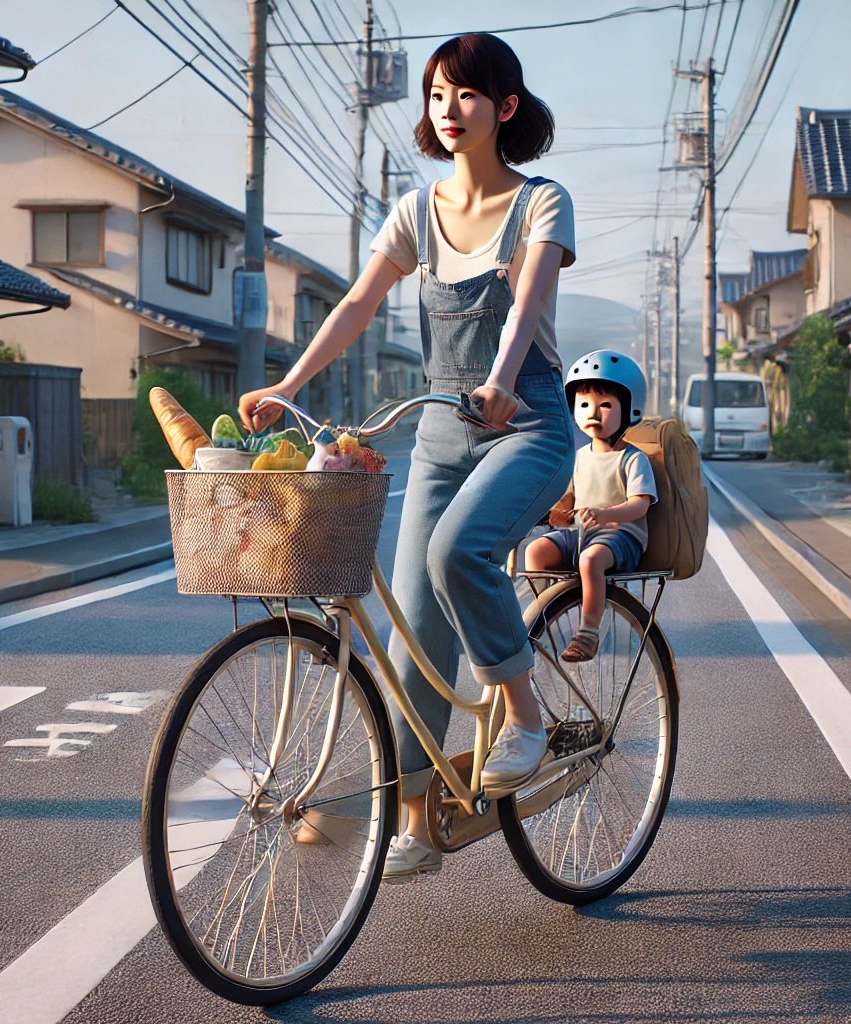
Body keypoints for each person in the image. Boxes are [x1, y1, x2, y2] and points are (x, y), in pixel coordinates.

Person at [240, 32, 575, 880]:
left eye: (465, 95)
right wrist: (290, 383)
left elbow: (527, 296)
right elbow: (358, 301)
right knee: (414, 627)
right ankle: (419, 822)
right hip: (436, 433)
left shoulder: (543, 202)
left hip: (526, 423)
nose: (447, 110)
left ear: (504, 106)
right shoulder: (415, 211)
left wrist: (501, 381)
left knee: (454, 550)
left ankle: (526, 715)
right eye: (434, 96)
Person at [525, 351, 655, 662]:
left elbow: (640, 505)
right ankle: (545, 618)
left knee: (590, 559)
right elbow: (567, 499)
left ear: (629, 408)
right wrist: (553, 513)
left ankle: (588, 632)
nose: (593, 413)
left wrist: (606, 514)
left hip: (621, 536)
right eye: (584, 405)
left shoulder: (632, 458)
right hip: (581, 531)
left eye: (605, 405)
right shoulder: (580, 457)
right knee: (535, 552)